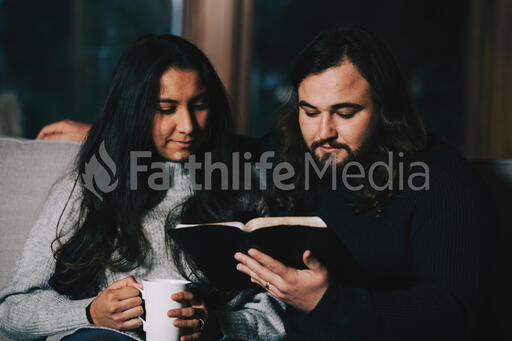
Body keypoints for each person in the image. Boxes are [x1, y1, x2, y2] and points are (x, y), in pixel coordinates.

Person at [0, 34, 285, 341]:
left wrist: (215, 325)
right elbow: (11, 311)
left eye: (199, 105)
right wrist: (89, 312)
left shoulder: (243, 188)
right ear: (135, 111)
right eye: (167, 108)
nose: (187, 125)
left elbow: (273, 318)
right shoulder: (92, 186)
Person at [233, 26, 491, 340]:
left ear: (385, 109)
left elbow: (456, 313)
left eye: (345, 112)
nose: (324, 131)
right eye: (310, 112)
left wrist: (326, 301)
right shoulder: (282, 153)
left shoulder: (443, 179)